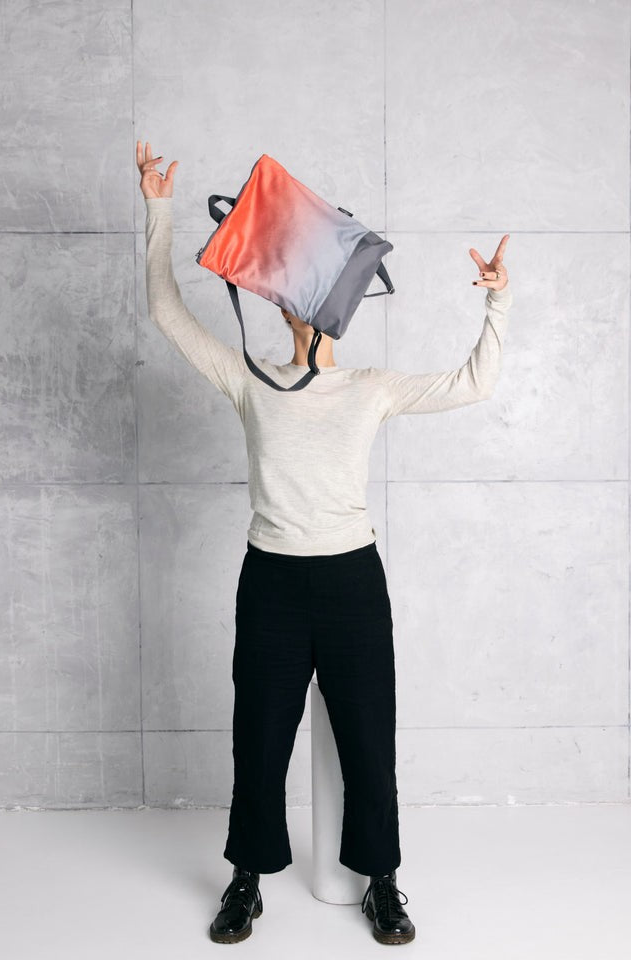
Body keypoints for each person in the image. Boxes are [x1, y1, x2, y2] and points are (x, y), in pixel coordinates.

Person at [136, 140, 513, 946]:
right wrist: (158, 207)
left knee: (369, 740)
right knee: (259, 739)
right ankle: (246, 880)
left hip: (350, 583)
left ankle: (383, 884)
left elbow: (475, 383)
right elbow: (168, 313)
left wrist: (497, 302)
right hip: (272, 581)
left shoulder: (368, 388)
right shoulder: (249, 378)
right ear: (283, 302)